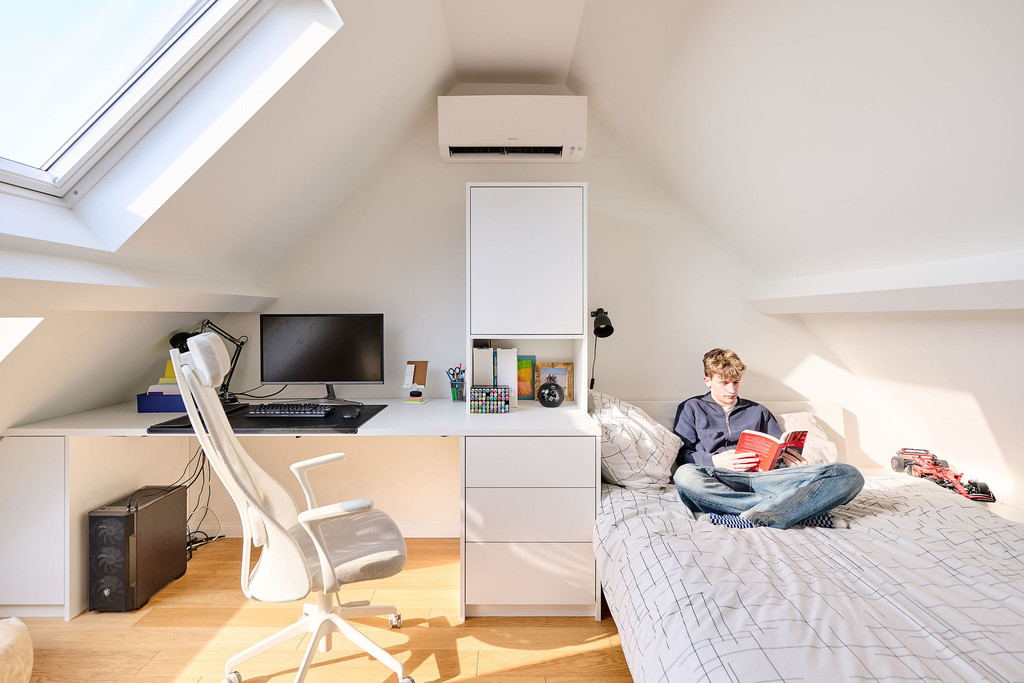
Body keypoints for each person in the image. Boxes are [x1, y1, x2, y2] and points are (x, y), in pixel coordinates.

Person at [672, 348, 864, 529]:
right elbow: (682, 457)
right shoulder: (691, 408)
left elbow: (776, 451)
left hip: (766, 480)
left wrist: (793, 464)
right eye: (724, 382)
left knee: (849, 475)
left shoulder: (759, 411)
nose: (731, 390)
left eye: (736, 382)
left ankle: (751, 516)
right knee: (684, 476)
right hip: (720, 479)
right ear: (708, 380)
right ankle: (799, 512)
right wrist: (715, 460)